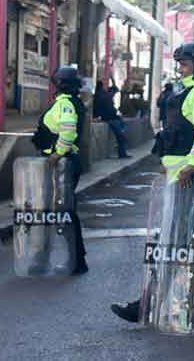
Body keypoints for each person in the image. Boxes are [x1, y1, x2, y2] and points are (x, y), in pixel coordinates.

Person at [111, 41, 194, 323]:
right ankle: (182, 301)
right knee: (178, 244)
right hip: (182, 179)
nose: (179, 68)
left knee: (178, 245)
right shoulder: (190, 90)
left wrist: (191, 167)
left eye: (185, 63)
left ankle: (158, 302)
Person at [34, 65, 90, 275]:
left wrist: (57, 153)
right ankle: (68, 259)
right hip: (62, 162)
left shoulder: (65, 104)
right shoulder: (69, 102)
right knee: (61, 210)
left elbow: (68, 131)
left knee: (65, 211)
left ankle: (76, 261)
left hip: (62, 163)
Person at [94, 79, 131, 158]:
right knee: (121, 136)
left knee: (121, 133)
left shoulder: (101, 95)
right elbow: (106, 110)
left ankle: (122, 152)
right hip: (110, 118)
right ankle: (122, 153)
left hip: (111, 118)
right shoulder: (103, 96)